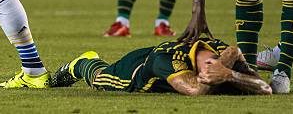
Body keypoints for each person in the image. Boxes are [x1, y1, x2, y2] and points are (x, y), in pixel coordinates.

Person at [50, 37, 271, 96]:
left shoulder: (220, 52)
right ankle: (81, 63)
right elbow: (195, 90)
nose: (208, 74)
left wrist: (230, 72)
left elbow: (265, 88)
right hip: (136, 72)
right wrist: (229, 74)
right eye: (208, 72)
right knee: (100, 78)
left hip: (156, 57)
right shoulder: (167, 61)